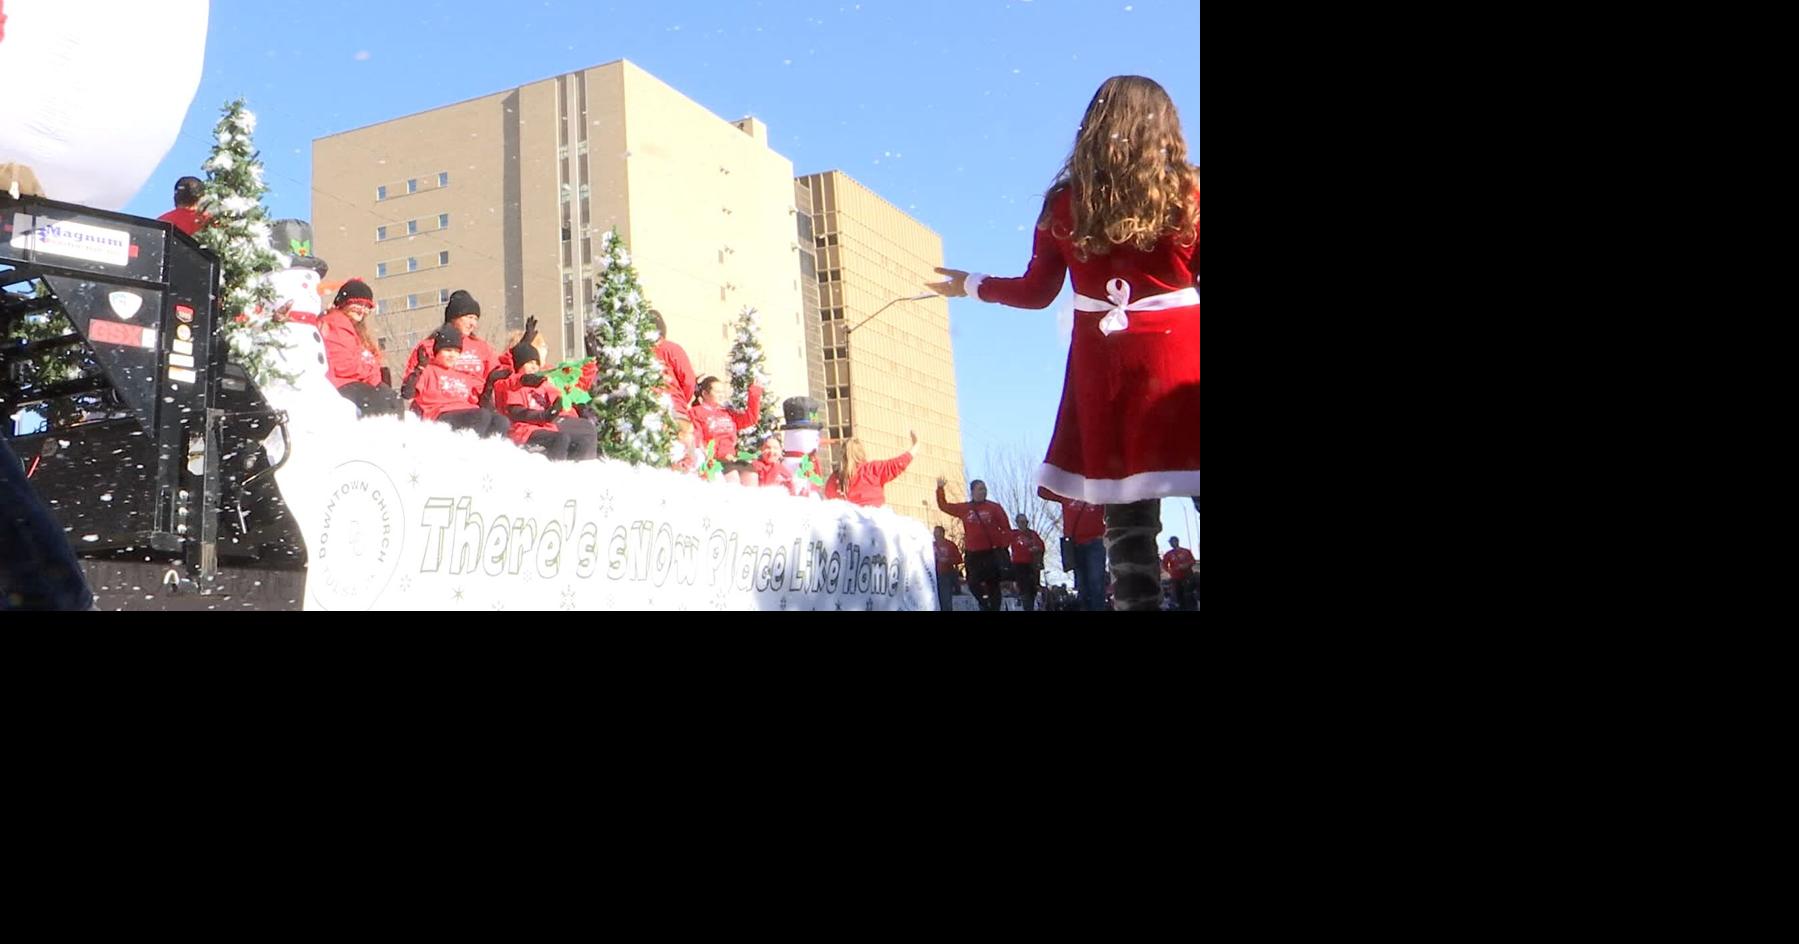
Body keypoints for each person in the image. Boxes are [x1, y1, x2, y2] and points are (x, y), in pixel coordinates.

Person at [928, 76, 1200, 611]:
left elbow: (1036, 292)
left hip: (1106, 367)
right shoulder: (1188, 194)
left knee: (1127, 510)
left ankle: (1136, 602)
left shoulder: (1067, 203)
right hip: (1181, 356)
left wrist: (972, 284)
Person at [496, 333, 598, 461]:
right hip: (533, 425)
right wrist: (546, 416)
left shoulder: (545, 376)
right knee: (564, 437)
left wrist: (591, 363)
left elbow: (573, 386)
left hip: (555, 419)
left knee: (587, 431)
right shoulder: (514, 381)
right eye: (542, 346)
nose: (546, 349)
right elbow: (513, 404)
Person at [401, 290, 499, 407]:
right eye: (469, 317)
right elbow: (411, 384)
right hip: (437, 408)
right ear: (454, 317)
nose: (473, 323)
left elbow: (500, 379)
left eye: (476, 319)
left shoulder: (482, 348)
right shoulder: (429, 346)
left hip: (475, 407)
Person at [410, 326, 511, 439]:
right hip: (440, 414)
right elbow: (407, 393)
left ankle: (491, 452)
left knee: (501, 421)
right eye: (448, 350)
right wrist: (419, 368)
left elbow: (481, 403)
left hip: (467, 412)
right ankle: (466, 450)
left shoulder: (463, 375)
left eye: (457, 352)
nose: (452, 355)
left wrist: (490, 382)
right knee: (481, 416)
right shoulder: (429, 370)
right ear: (437, 351)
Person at [320, 279, 401, 416]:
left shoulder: (357, 331)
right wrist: (369, 374)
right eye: (358, 304)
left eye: (366, 306)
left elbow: (372, 363)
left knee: (392, 400)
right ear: (344, 303)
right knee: (378, 402)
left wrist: (374, 380)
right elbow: (342, 365)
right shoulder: (334, 324)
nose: (362, 310)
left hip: (357, 383)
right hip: (341, 384)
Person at [936, 477, 1013, 612]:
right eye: (980, 489)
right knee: (972, 582)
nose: (983, 492)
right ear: (972, 492)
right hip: (973, 554)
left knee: (993, 585)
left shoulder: (994, 507)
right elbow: (944, 506)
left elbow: (1006, 528)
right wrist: (940, 489)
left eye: (985, 489)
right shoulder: (965, 508)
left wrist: (1003, 545)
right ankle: (983, 604)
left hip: (991, 553)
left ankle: (994, 608)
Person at [1041, 487, 1107, 612]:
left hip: (1095, 542)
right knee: (1082, 585)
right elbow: (1042, 491)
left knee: (1096, 582)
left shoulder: (1097, 489)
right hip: (1075, 545)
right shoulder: (1066, 491)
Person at [689, 375, 762, 485]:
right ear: (705, 394)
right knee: (733, 477)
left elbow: (751, 418)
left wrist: (754, 392)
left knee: (751, 474)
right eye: (717, 392)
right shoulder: (696, 412)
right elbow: (698, 438)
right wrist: (714, 455)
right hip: (714, 460)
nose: (721, 395)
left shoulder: (727, 413)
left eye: (722, 392)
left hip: (731, 458)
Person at [824, 431, 918, 507]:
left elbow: (828, 498)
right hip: (874, 521)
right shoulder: (873, 469)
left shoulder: (835, 478)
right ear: (862, 453)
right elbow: (897, 464)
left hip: (849, 524)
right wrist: (916, 446)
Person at [649, 310, 696, 416]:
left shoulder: (638, 351)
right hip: (674, 407)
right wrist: (681, 401)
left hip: (647, 410)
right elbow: (688, 381)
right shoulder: (672, 348)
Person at [1008, 513, 1046, 611]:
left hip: (1032, 565)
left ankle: (1031, 606)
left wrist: (1036, 549)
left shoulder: (1032, 534)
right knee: (1023, 589)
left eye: (1025, 522)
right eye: (1021, 522)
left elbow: (1041, 546)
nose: (1024, 524)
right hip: (1019, 565)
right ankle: (1027, 607)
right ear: (1017, 523)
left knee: (1032, 589)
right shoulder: (1013, 534)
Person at [932, 525, 963, 613]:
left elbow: (959, 559)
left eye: (937, 532)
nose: (935, 534)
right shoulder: (930, 545)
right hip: (932, 576)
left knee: (945, 600)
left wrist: (947, 560)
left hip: (945, 575)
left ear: (942, 533)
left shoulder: (950, 545)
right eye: (934, 532)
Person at [1162, 536, 1197, 611]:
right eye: (1170, 542)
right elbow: (1164, 564)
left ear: (1177, 541)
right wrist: (1170, 571)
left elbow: (1193, 561)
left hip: (1188, 576)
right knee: (1179, 595)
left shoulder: (1186, 551)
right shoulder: (1168, 554)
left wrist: (1186, 565)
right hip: (1176, 578)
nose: (1171, 543)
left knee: (1189, 594)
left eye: (1172, 541)